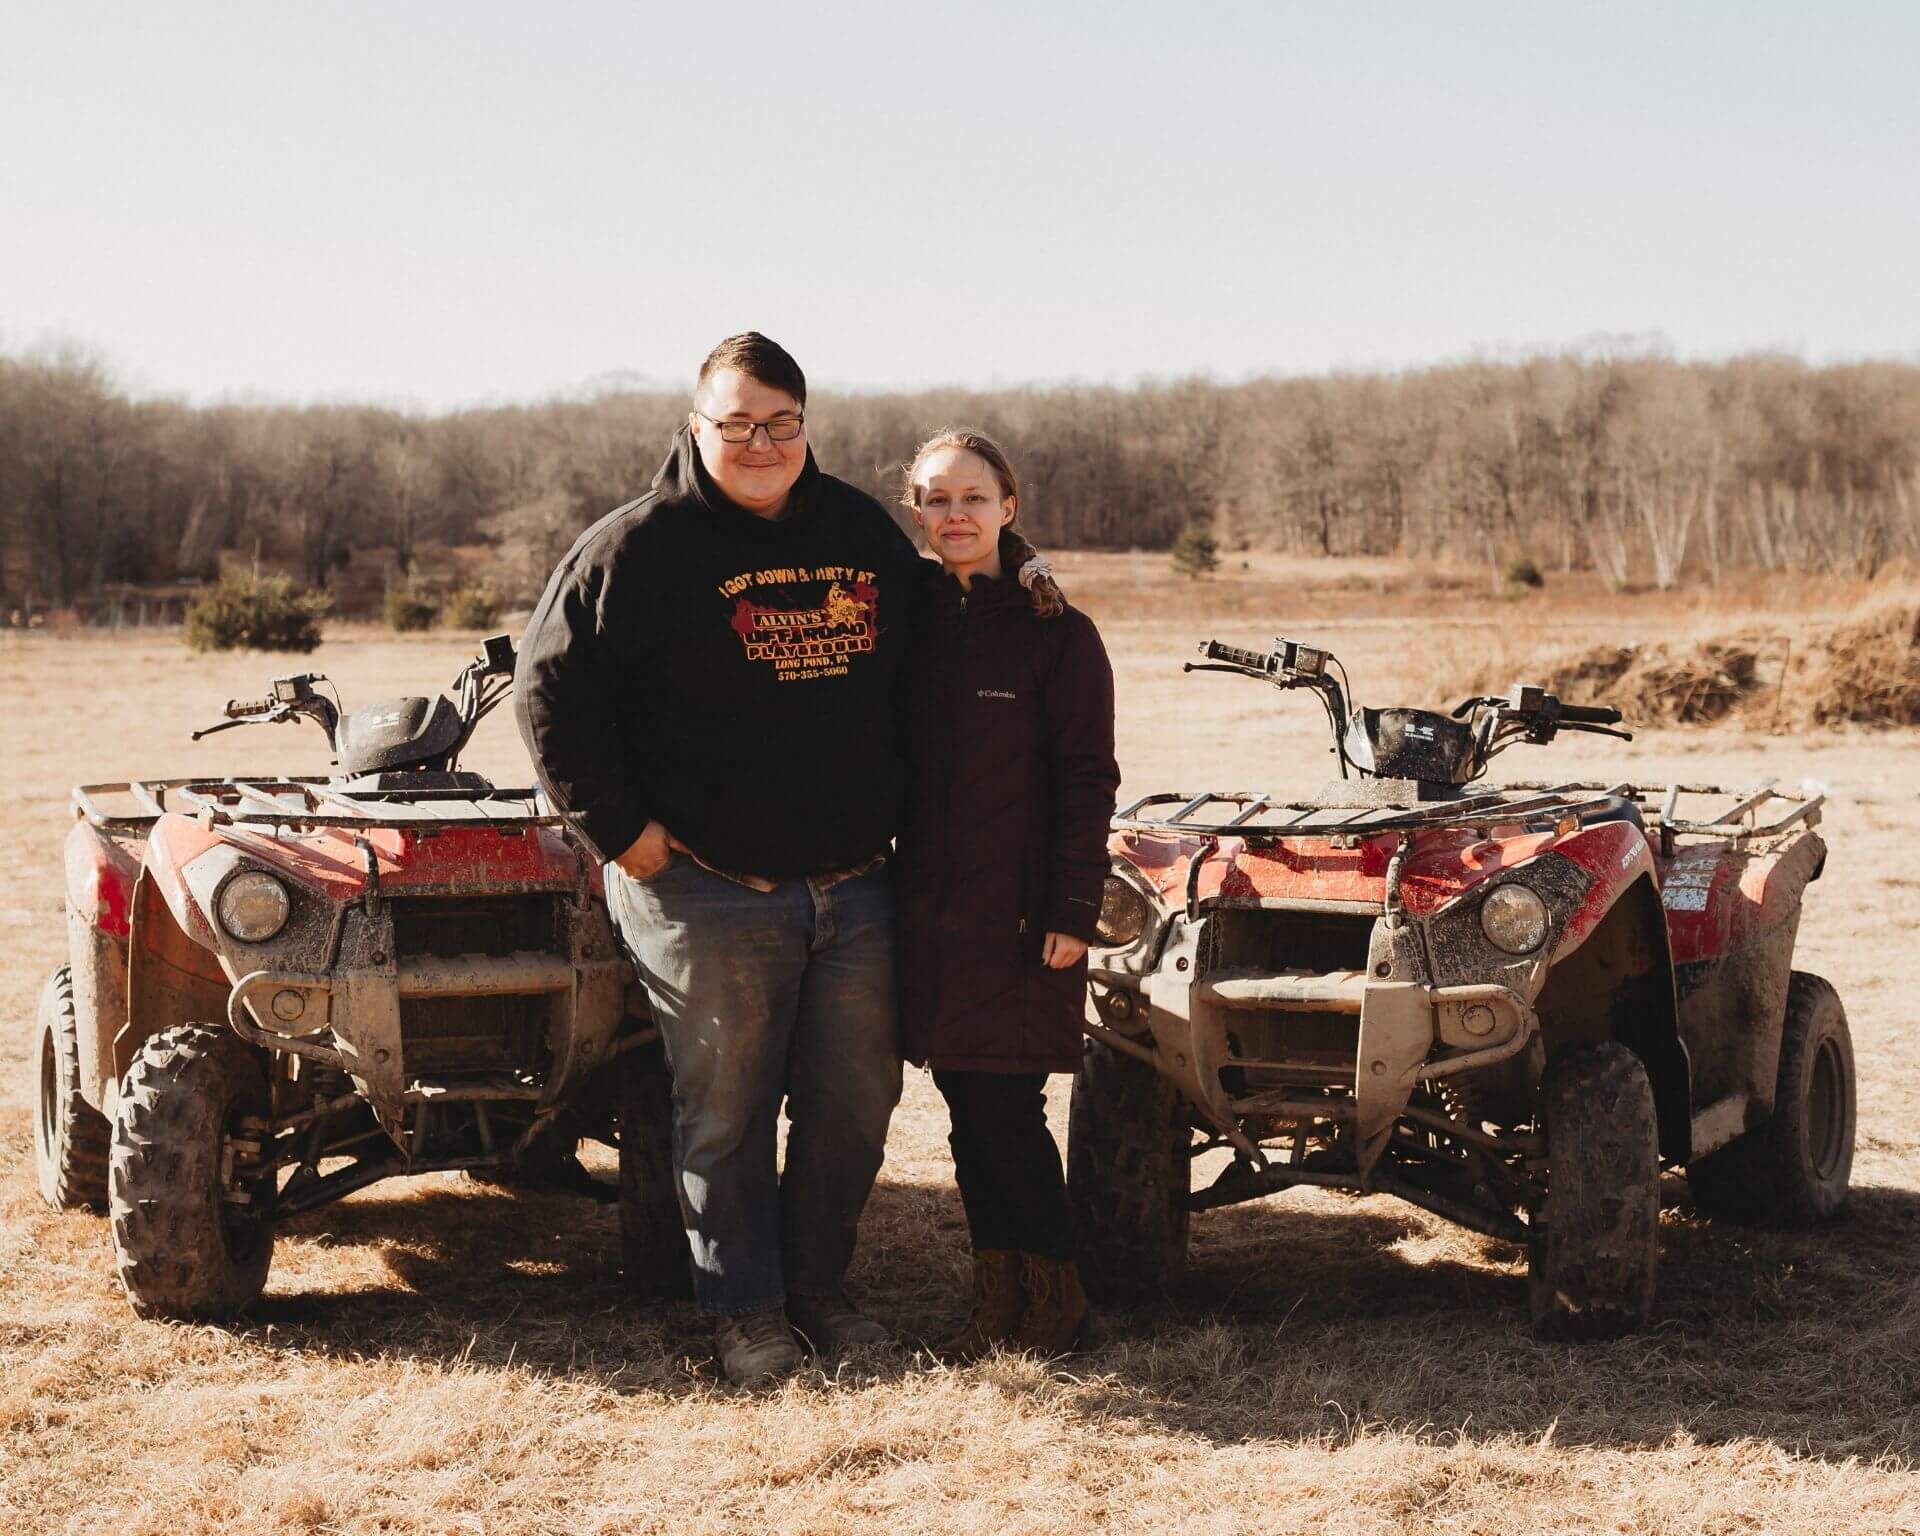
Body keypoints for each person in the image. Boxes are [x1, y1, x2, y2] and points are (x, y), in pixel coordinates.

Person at [515, 333, 923, 1386]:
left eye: (779, 422)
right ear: (696, 426)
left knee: (856, 1103)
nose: (759, 442)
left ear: (806, 427)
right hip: (705, 885)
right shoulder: (633, 548)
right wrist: (623, 835)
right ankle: (746, 1311)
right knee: (727, 1111)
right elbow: (548, 693)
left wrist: (1018, 565)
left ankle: (820, 1290)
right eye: (735, 422)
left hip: (853, 883)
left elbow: (936, 638)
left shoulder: (860, 532)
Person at [895, 429, 1120, 1360]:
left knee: (1007, 1112)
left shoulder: (1057, 634)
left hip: (1023, 914)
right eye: (937, 498)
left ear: (1008, 508)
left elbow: (1087, 779)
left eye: (974, 498)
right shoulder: (905, 624)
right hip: (928, 912)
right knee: (964, 1104)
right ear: (917, 511)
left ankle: (1058, 1299)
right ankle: (997, 1295)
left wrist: (1074, 909)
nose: (956, 515)